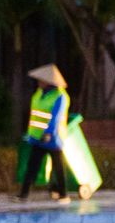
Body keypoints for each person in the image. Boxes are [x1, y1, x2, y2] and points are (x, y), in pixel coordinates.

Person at [16, 64, 75, 200]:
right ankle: (24, 194)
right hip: (38, 137)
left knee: (58, 167)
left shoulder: (60, 96)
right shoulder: (39, 93)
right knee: (32, 166)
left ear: (49, 82)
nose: (39, 82)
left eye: (41, 80)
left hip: (53, 138)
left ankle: (63, 194)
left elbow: (56, 117)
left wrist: (49, 133)